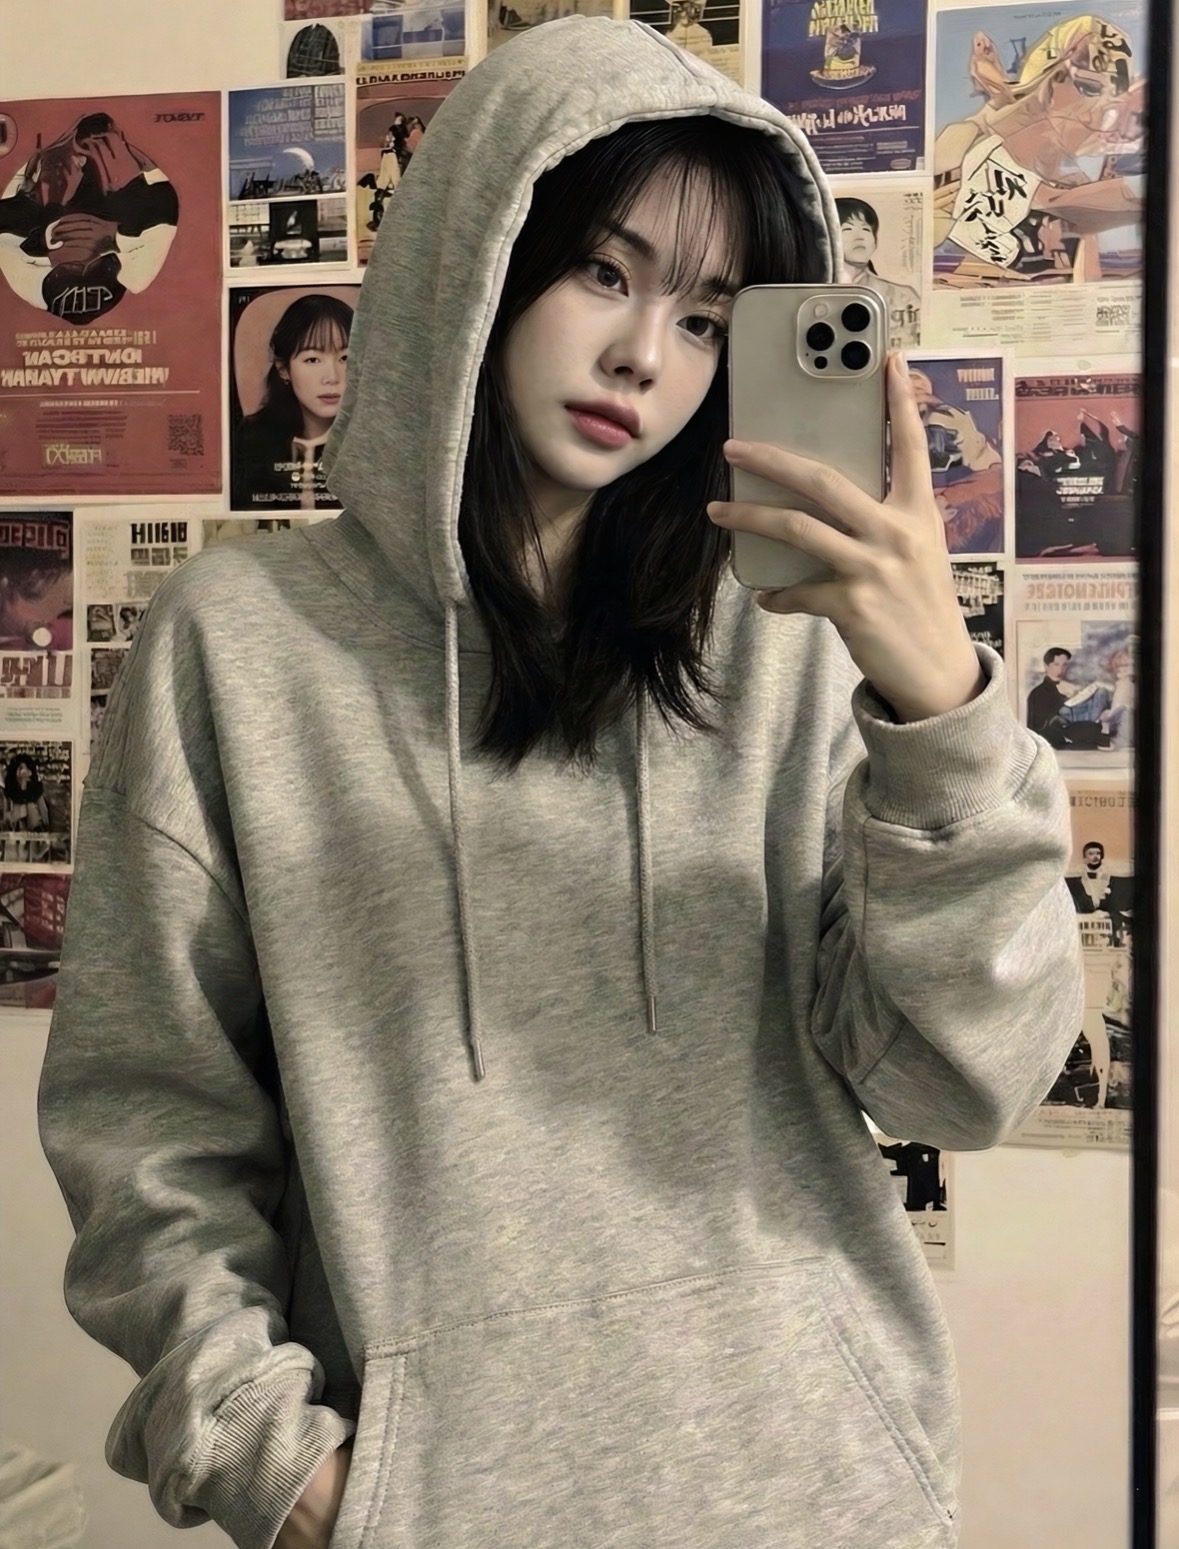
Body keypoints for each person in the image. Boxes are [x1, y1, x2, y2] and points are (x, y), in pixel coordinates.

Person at [38, 19, 1082, 1549]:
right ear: (476, 254)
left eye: (706, 317)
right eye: (603, 271)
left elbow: (961, 1085)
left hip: (817, 1497)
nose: (643, 357)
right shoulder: (242, 647)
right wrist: (272, 1463)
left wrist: (944, 722)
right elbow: (149, 1117)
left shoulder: (788, 640)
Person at [231, 292, 354, 511]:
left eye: (345, 358)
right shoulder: (250, 443)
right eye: (313, 359)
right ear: (284, 369)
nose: (332, 377)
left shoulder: (378, 444)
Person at [834, 196, 921, 349]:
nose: (859, 237)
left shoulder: (903, 296)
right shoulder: (809, 295)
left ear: (875, 242)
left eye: (866, 229)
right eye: (847, 229)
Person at [1026, 645, 1073, 738]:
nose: (1061, 669)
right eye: (1056, 664)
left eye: (1064, 665)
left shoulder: (1071, 688)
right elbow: (1035, 729)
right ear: (1046, 666)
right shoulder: (1038, 694)